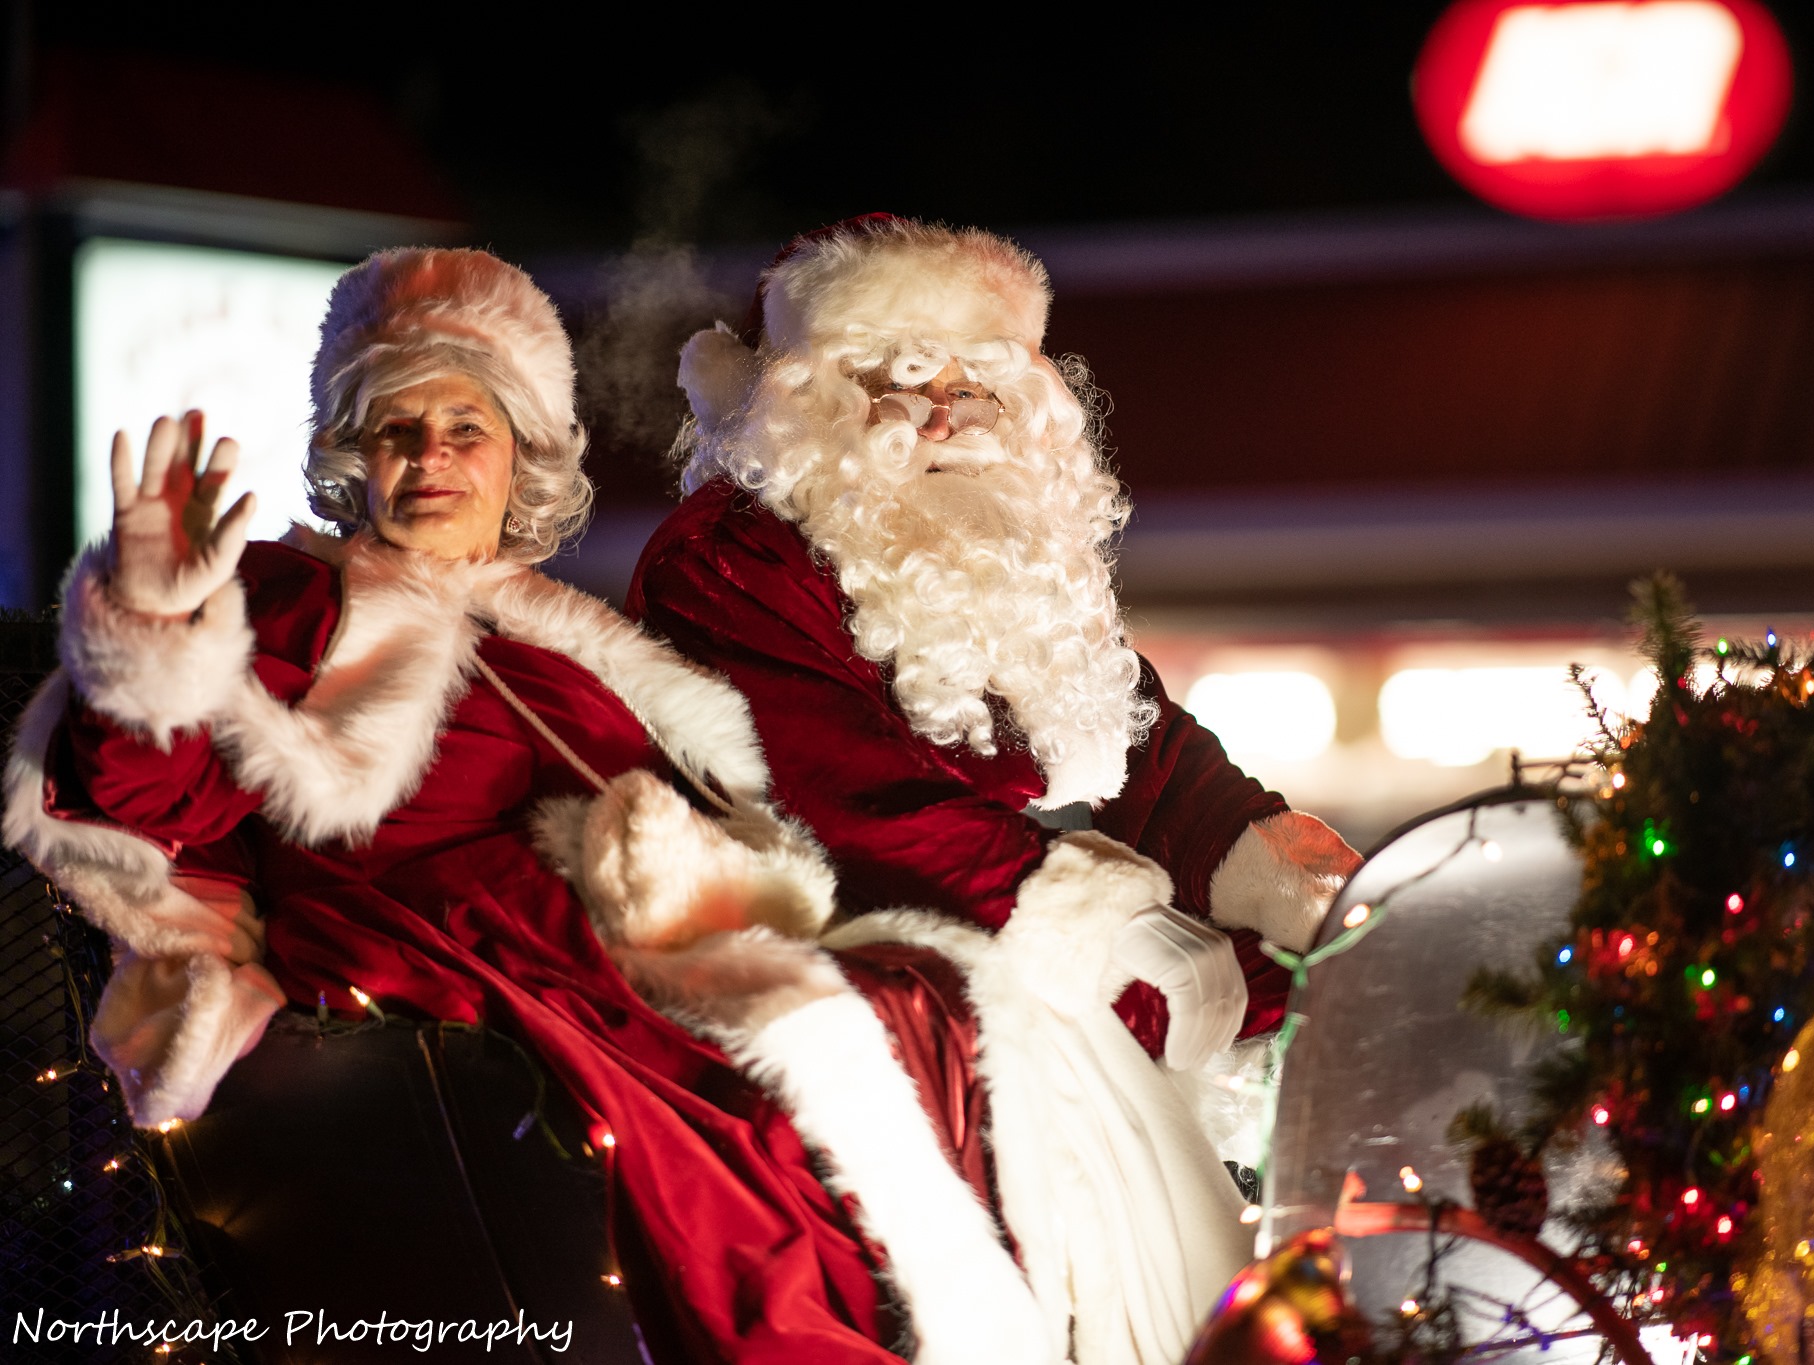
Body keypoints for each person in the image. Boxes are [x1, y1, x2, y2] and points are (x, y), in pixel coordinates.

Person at [2, 248, 1244, 1365]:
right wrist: (152, 630)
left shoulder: (562, 632)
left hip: (634, 929)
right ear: (349, 457)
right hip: (445, 942)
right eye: (394, 430)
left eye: (463, 427)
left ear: (519, 455)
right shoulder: (289, 594)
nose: (429, 457)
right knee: (728, 1106)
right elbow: (147, 794)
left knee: (928, 1001)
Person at [632, 215, 1363, 1061]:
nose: (942, 424)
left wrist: (1299, 883)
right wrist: (1113, 936)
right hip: (865, 1020)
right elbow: (861, 810)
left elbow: (1150, 757)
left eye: (972, 389)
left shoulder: (1008, 560)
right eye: (898, 388)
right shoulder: (731, 556)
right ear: (806, 400)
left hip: (1042, 996)